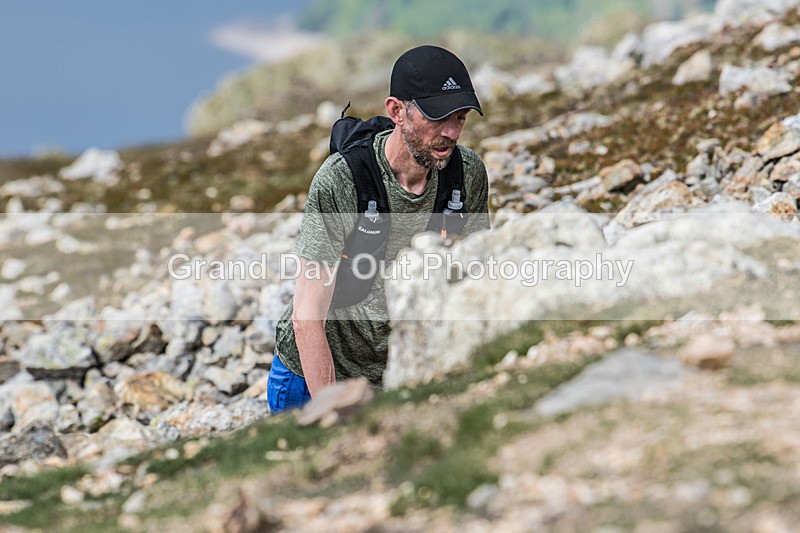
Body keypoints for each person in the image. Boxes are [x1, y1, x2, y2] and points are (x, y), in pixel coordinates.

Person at [268, 45, 491, 413]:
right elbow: (307, 315)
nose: (451, 132)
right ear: (396, 111)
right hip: (313, 375)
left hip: (401, 373)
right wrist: (332, 408)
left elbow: (475, 283)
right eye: (438, 118)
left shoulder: (467, 174)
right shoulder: (342, 181)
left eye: (461, 118)